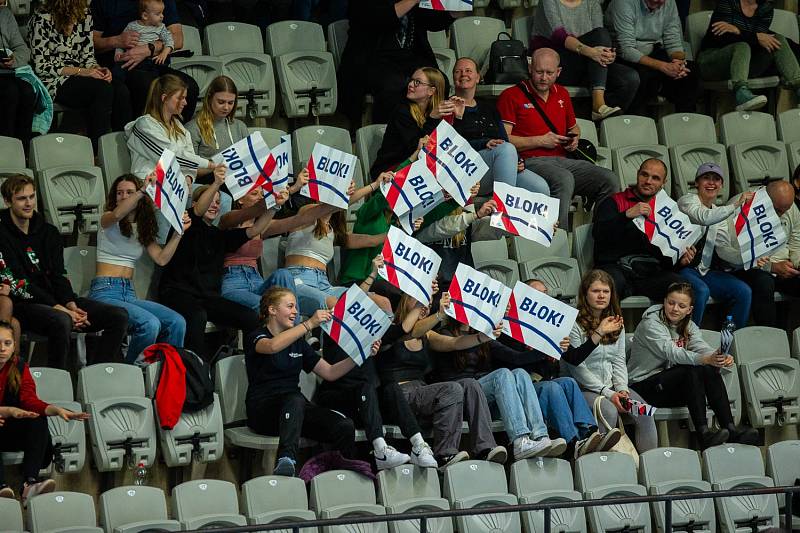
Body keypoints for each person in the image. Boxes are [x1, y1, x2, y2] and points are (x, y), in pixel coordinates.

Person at [314, 261, 438, 471]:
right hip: (338, 395)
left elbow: (404, 328)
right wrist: (371, 275)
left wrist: (421, 300)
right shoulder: (334, 327)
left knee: (389, 386)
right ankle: (380, 450)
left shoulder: (374, 335)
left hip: (366, 399)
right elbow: (350, 303)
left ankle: (419, 445)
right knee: (366, 387)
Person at [246, 287, 380, 477]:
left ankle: (339, 477)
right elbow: (272, 346)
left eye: (296, 307)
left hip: (295, 409)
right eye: (290, 306)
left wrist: (361, 355)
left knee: (343, 425)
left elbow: (330, 372)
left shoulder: (298, 341)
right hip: (263, 410)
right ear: (272, 310)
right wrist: (309, 324)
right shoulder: (257, 336)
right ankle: (287, 461)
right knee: (294, 399)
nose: (295, 312)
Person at [0, 175, 129, 369]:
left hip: (58, 302)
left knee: (118, 316)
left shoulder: (48, 231)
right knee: (61, 321)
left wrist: (70, 304)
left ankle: (97, 373)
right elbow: (19, 282)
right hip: (24, 304)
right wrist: (60, 309)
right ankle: (59, 380)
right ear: (8, 201)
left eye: (32, 197)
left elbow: (58, 275)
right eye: (21, 198)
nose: (28, 203)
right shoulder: (1, 233)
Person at [158, 174, 285, 361]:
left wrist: (275, 206)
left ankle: (254, 366)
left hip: (207, 298)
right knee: (197, 316)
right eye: (211, 200)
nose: (215, 205)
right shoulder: (185, 224)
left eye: (218, 202)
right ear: (195, 204)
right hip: (177, 293)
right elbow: (198, 211)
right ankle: (198, 371)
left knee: (250, 317)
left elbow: (255, 230)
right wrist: (217, 182)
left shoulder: (219, 235)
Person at [378, 293, 507, 468]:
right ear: (406, 300)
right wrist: (439, 315)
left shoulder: (428, 335)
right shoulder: (390, 329)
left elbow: (455, 343)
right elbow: (409, 331)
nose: (425, 305)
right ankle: (445, 454)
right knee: (452, 389)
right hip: (400, 395)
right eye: (419, 300)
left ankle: (485, 447)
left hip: (422, 393)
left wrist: (483, 337)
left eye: (429, 302)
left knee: (470, 383)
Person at [497, 48, 620, 230]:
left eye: (549, 73)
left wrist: (574, 139)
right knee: (563, 178)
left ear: (559, 72)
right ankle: (556, 238)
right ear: (530, 68)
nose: (544, 78)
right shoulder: (511, 95)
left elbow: (573, 128)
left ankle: (601, 235)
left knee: (609, 178)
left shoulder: (562, 93)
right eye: (539, 72)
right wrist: (540, 140)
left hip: (563, 159)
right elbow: (504, 140)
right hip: (529, 161)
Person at [628, 282, 759, 448]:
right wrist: (704, 359)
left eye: (681, 306)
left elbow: (700, 346)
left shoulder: (688, 325)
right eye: (671, 303)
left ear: (689, 310)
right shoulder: (650, 324)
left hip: (670, 386)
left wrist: (718, 356)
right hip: (642, 388)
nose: (675, 309)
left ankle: (730, 429)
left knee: (706, 368)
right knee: (691, 369)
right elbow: (672, 352)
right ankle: (703, 434)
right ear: (664, 302)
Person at [88, 174, 188, 363]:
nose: (124, 196)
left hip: (129, 293)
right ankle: (132, 370)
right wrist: (142, 190)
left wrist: (179, 234)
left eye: (129, 192)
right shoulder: (108, 219)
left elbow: (161, 259)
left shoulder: (142, 227)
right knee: (149, 324)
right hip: (105, 292)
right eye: (119, 193)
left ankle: (167, 370)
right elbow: (117, 214)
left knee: (177, 322)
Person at [562, 269, 658, 452]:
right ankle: (602, 466)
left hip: (612, 388)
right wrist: (608, 393)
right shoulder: (573, 324)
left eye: (606, 292)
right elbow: (577, 369)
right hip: (582, 388)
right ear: (585, 293)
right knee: (608, 410)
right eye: (596, 291)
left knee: (644, 411)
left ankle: (650, 470)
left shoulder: (616, 323)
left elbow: (619, 361)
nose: (601, 296)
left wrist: (622, 389)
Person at [0, 321, 89, 504]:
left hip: (7, 431)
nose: (2, 349)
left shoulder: (19, 367)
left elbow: (29, 400)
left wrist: (55, 410)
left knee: (37, 419)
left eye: (7, 343)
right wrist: (8, 411)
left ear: (14, 345)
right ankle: (1, 487)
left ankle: (29, 483)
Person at [126, 74, 223, 239]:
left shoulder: (179, 127)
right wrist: (210, 164)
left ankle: (207, 245)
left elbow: (190, 160)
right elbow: (171, 156)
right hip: (151, 186)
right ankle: (166, 253)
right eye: (181, 98)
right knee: (171, 202)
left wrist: (189, 178)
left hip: (179, 186)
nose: (185, 102)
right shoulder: (144, 125)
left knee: (223, 199)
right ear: (165, 98)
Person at [29, 0, 131, 149]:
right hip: (54, 79)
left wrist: (99, 69)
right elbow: (41, 66)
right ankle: (98, 150)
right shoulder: (41, 19)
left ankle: (122, 148)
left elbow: (88, 55)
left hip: (83, 74)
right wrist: (83, 72)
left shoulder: (84, 15)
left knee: (120, 90)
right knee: (102, 90)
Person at [338, 0, 456, 128]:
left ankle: (431, 129)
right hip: (373, 58)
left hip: (409, 56)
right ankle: (391, 134)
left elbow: (431, 21)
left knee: (438, 79)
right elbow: (381, 17)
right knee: (394, 84)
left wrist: (453, 12)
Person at [593, 158, 692, 301]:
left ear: (663, 183)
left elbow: (665, 256)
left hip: (650, 273)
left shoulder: (671, 211)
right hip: (616, 267)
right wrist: (626, 215)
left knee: (681, 287)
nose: (648, 181)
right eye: (644, 175)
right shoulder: (614, 201)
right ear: (638, 174)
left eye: (655, 178)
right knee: (611, 283)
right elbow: (598, 234)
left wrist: (680, 260)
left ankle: (662, 324)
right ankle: (608, 324)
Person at [449, 57, 550, 197]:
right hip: (466, 170)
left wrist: (518, 159)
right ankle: (502, 209)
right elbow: (450, 146)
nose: (463, 74)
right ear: (453, 78)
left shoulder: (488, 107)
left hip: (499, 161)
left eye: (468, 71)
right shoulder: (447, 107)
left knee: (540, 188)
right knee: (505, 149)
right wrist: (484, 143)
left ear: (478, 77)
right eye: (458, 71)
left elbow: (504, 138)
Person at [92, 0, 200, 122]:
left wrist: (149, 48)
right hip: (123, 64)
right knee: (146, 86)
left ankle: (176, 133)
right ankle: (143, 132)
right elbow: (91, 42)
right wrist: (117, 41)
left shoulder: (161, 3)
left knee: (190, 87)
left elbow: (178, 39)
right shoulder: (104, 3)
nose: (162, 16)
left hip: (156, 63)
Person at [676, 163, 755, 328]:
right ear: (697, 183)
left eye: (716, 179)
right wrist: (735, 205)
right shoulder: (686, 201)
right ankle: (688, 340)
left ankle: (728, 343)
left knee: (743, 291)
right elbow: (704, 217)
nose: (711, 183)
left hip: (704, 271)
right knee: (701, 291)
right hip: (682, 268)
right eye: (706, 178)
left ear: (721, 185)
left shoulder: (720, 212)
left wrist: (750, 257)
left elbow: (724, 251)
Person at [531, 0, 639, 119]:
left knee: (629, 78)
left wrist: (607, 55)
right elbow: (559, 35)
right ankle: (598, 103)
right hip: (555, 64)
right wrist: (592, 52)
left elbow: (600, 39)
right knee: (600, 34)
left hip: (587, 62)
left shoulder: (592, 2)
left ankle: (599, 125)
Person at [714, 179, 797, 327]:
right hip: (749, 268)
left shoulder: (788, 207)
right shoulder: (739, 206)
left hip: (784, 266)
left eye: (785, 210)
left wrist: (796, 264)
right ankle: (768, 337)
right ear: (765, 198)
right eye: (777, 210)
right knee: (764, 282)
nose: (781, 215)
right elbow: (730, 256)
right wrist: (771, 267)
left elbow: (796, 242)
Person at [284, 204, 388, 315]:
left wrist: (395, 235)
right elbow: (332, 202)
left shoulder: (333, 231)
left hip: (324, 285)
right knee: (339, 305)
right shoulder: (308, 213)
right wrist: (374, 186)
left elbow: (371, 240)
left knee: (382, 302)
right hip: (299, 279)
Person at [697, 0, 800, 111]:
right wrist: (752, 36)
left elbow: (759, 42)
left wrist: (737, 31)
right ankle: (741, 93)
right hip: (711, 61)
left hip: (742, 63)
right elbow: (722, 38)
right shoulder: (727, 3)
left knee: (776, 38)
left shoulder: (765, 9)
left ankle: (798, 86)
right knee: (742, 46)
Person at [606, 0, 699, 115]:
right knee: (642, 75)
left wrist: (679, 63)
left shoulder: (669, 3)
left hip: (654, 51)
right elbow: (627, 50)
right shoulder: (623, 3)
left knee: (690, 72)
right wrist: (663, 66)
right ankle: (636, 122)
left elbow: (673, 40)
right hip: (623, 57)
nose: (658, 1)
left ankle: (686, 122)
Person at [185, 75, 250, 217]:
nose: (226, 107)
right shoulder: (193, 128)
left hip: (238, 179)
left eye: (231, 103)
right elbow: (190, 169)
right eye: (221, 102)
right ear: (209, 99)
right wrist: (216, 165)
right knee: (225, 197)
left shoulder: (239, 126)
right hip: (208, 181)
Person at [370, 66, 445, 180]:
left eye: (417, 82)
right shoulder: (402, 111)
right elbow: (418, 149)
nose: (410, 84)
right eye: (411, 80)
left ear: (431, 91)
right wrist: (432, 119)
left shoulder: (435, 113)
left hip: (416, 170)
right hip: (390, 172)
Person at [112, 0, 175, 82]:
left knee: (152, 74)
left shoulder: (161, 28)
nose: (162, 16)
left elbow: (169, 40)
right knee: (117, 71)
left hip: (150, 60)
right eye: (158, 14)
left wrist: (164, 53)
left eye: (162, 13)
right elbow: (121, 42)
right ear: (145, 16)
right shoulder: (132, 26)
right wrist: (118, 53)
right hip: (130, 58)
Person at [0, 3, 35, 148]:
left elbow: (22, 48)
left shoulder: (5, 14)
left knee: (28, 91)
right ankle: (6, 148)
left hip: (7, 71)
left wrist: (14, 60)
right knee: (9, 92)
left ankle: (23, 149)